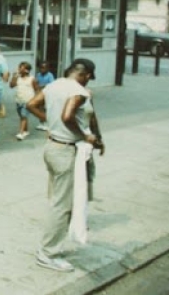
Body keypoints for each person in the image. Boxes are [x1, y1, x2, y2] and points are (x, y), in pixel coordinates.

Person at [25, 58, 104, 273]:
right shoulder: (79, 91)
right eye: (89, 78)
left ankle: (49, 247)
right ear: (86, 74)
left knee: (56, 201)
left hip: (52, 147)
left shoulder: (54, 84)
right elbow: (67, 116)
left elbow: (31, 105)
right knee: (62, 206)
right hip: (66, 151)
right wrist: (84, 136)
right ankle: (48, 253)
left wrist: (51, 123)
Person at [10, 61, 39, 141]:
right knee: (22, 116)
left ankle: (21, 133)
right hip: (19, 100)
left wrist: (36, 101)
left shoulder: (32, 79)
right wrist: (14, 77)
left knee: (23, 116)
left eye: (21, 68)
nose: (18, 69)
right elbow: (11, 85)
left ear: (27, 70)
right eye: (19, 67)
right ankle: (26, 130)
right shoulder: (18, 78)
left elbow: (37, 90)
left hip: (28, 101)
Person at [34, 61, 55, 131]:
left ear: (47, 68)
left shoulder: (50, 75)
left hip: (47, 94)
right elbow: (36, 83)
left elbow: (51, 84)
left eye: (43, 68)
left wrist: (42, 86)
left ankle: (47, 123)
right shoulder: (38, 75)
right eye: (40, 68)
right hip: (40, 94)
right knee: (40, 108)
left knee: (46, 109)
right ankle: (41, 123)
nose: (42, 69)